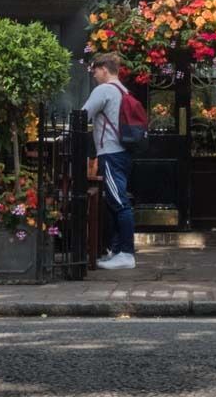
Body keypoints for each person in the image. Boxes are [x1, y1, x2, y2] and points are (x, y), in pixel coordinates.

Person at [82, 53, 135, 271]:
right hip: (122, 153)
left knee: (120, 203)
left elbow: (82, 115)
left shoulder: (104, 90)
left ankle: (126, 254)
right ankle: (116, 251)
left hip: (110, 153)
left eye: (95, 69)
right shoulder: (123, 90)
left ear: (105, 69)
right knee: (115, 203)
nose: (93, 74)